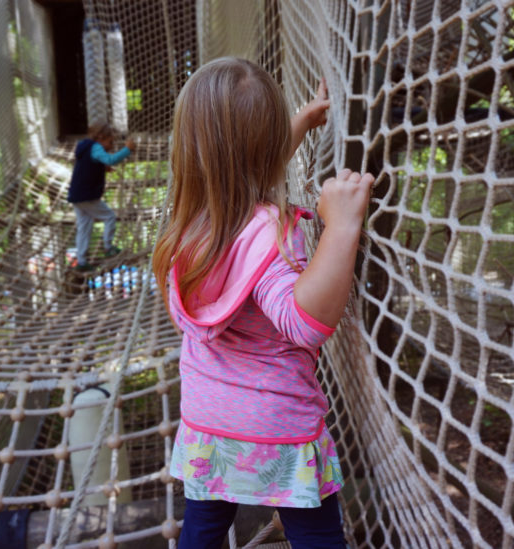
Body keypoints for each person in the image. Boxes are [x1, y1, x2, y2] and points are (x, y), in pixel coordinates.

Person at [152, 57, 374, 548]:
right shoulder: (271, 236)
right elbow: (304, 322)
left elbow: (242, 171)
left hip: (208, 422)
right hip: (277, 430)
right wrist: (341, 227)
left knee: (203, 530)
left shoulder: (191, 225)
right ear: (269, 148)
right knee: (317, 536)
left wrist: (298, 122)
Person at [67, 124, 136, 271]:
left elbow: (90, 163)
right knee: (109, 217)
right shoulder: (96, 147)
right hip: (87, 196)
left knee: (84, 227)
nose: (111, 147)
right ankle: (108, 247)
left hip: (76, 196)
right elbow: (110, 159)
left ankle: (81, 261)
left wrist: (101, 167)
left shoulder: (85, 147)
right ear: (100, 138)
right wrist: (127, 149)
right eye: (110, 142)